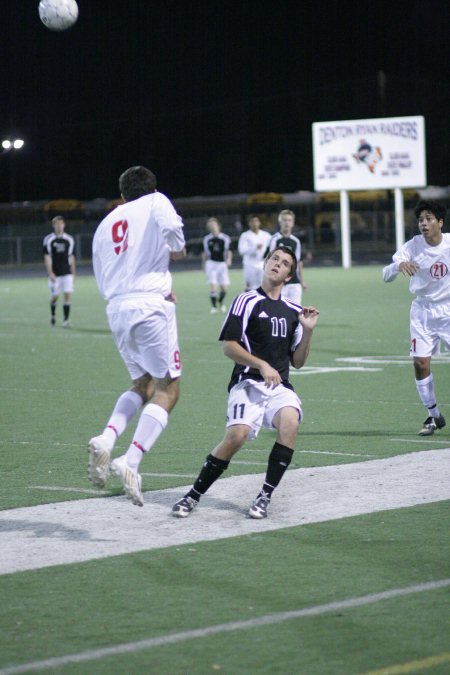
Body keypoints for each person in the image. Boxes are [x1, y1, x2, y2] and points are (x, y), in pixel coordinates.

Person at [172, 245, 320, 519]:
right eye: (274, 259)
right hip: (248, 382)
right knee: (236, 436)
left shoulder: (294, 311)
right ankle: (193, 495)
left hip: (279, 387)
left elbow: (298, 362)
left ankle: (264, 496)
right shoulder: (246, 300)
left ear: (289, 276)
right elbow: (229, 347)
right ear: (265, 263)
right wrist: (261, 364)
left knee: (290, 423)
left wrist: (308, 332)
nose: (277, 264)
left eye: (284, 263)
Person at [88, 165, 186, 506]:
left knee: (142, 383)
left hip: (116, 308)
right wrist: (177, 247)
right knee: (168, 388)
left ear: (123, 193)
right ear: (152, 187)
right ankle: (130, 461)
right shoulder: (157, 201)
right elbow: (173, 229)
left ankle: (106, 437)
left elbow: (100, 273)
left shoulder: (105, 223)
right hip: (149, 306)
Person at [382, 199, 449, 436]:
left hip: (449, 310)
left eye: (429, 218)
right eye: (421, 219)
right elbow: (385, 275)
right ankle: (434, 414)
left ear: (440, 222)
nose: (424, 223)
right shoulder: (412, 246)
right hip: (422, 312)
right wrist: (398, 266)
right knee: (420, 364)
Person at [268, 209, 308, 304]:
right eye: (284, 220)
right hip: (279, 282)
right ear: (280, 222)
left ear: (293, 223)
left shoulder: (296, 241)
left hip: (294, 282)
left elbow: (298, 261)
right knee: (279, 311)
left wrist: (302, 281)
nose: (287, 222)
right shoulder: (275, 239)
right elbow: (270, 261)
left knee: (296, 311)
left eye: (289, 220)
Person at [43, 215, 76, 327]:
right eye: (57, 224)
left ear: (64, 224)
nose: (59, 226)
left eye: (61, 223)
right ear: (53, 225)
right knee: (55, 296)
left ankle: (66, 320)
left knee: (67, 295)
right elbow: (47, 257)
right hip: (55, 274)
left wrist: (73, 273)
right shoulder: (49, 239)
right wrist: (50, 272)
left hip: (67, 272)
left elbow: (71, 256)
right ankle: (53, 315)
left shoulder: (69, 239)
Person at [202, 217, 232, 313]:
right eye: (210, 225)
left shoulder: (225, 238)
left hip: (222, 264)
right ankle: (214, 307)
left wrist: (229, 259)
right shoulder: (207, 239)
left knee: (224, 289)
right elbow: (205, 253)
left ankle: (220, 302)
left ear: (218, 226)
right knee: (213, 285)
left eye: (214, 224)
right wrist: (204, 265)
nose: (213, 227)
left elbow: (229, 250)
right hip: (211, 264)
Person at [238, 214, 271, 291]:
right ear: (249, 223)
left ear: (259, 223)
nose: (254, 223)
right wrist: (254, 248)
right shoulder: (245, 235)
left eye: (256, 221)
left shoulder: (266, 235)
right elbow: (241, 251)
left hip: (262, 264)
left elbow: (272, 246)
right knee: (249, 288)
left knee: (263, 287)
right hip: (249, 265)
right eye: (252, 221)